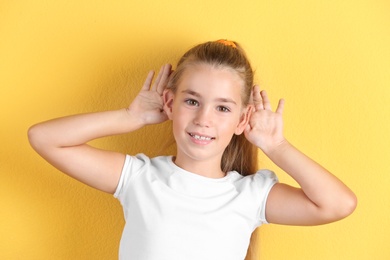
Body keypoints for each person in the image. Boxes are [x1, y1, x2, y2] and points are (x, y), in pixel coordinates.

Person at [28, 40, 357, 260]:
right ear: (170, 103)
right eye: (192, 101)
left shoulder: (250, 195)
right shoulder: (138, 178)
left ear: (243, 119)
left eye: (223, 109)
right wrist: (130, 117)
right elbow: (44, 138)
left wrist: (276, 144)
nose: (204, 119)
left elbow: (338, 204)